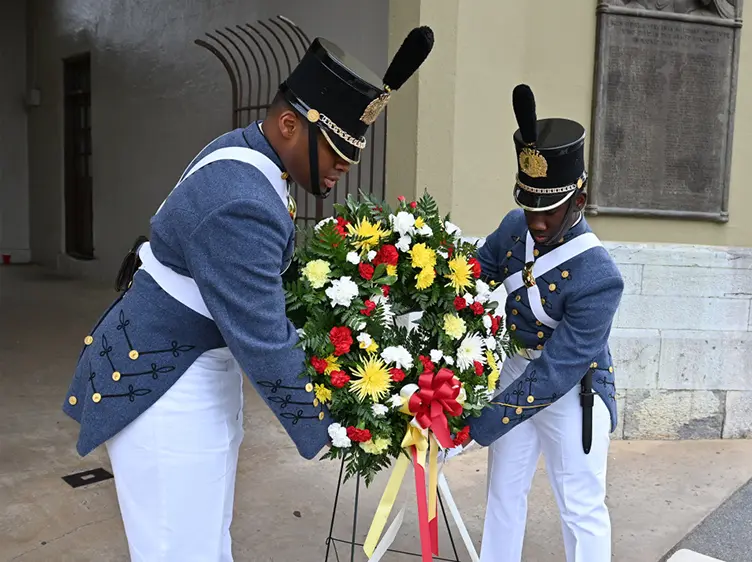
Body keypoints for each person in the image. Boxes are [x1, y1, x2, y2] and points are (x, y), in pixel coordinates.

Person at [61, 28, 434, 561]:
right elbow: (263, 339)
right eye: (336, 149)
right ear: (288, 124)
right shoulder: (241, 200)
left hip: (192, 367)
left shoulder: (251, 152)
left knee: (207, 545)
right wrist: (336, 426)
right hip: (164, 386)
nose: (344, 166)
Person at [469, 84, 625, 562]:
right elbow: (474, 273)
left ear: (579, 199)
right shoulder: (515, 226)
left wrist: (479, 423)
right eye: (530, 205)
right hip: (517, 368)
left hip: (573, 390)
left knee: (580, 506)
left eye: (549, 208)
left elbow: (556, 370)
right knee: (503, 494)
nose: (536, 220)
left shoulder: (600, 278)